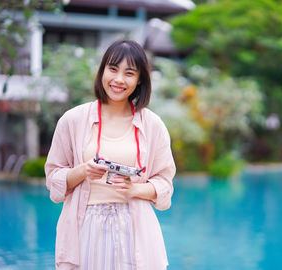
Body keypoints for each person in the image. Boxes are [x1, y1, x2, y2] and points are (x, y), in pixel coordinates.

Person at [45, 40, 176, 270]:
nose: (118, 80)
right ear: (102, 71)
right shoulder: (72, 120)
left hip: (136, 229)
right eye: (113, 69)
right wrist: (83, 170)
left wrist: (135, 189)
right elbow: (53, 178)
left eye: (129, 73)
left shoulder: (152, 125)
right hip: (85, 227)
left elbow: (165, 184)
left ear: (139, 80)